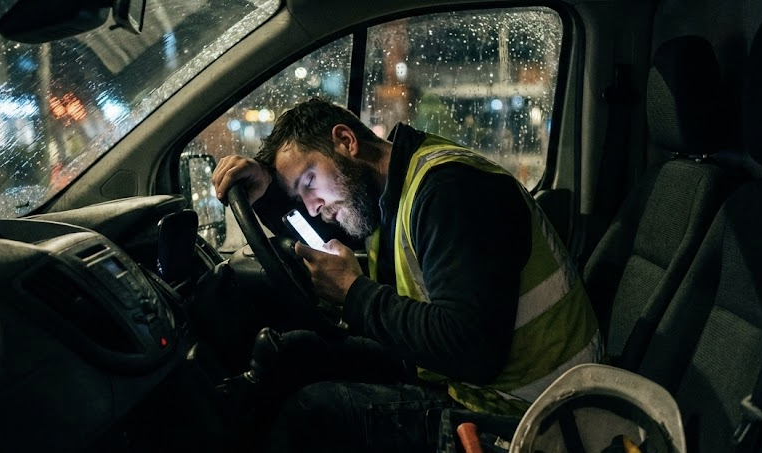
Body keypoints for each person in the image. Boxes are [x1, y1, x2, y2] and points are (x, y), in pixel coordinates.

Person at [211, 98, 601, 453]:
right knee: (298, 353)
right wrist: (268, 191)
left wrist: (353, 292)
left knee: (313, 414)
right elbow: (327, 235)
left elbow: (472, 349)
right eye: (301, 197)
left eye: (309, 182)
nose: (312, 208)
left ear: (346, 140)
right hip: (476, 385)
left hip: (533, 418)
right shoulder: (386, 191)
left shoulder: (451, 192)